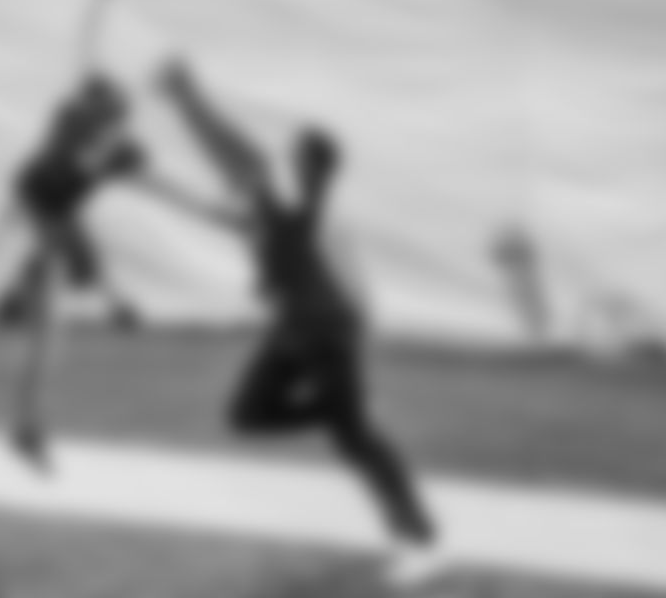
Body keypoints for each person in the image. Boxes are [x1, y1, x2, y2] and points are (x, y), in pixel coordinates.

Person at [143, 59, 449, 588]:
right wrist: (149, 179)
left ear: (313, 170)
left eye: (299, 156)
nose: (286, 159)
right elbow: (221, 202)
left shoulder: (307, 208)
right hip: (293, 331)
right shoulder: (281, 211)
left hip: (329, 333)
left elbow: (234, 155)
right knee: (248, 416)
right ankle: (339, 412)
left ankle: (422, 541)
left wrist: (188, 98)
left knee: (357, 441)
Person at [0, 74, 146, 467]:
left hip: (49, 226)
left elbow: (73, 209)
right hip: (25, 221)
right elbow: (43, 199)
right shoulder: (67, 143)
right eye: (109, 116)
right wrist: (109, 292)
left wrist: (110, 292)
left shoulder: (98, 148)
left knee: (46, 331)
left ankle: (26, 421)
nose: (115, 125)